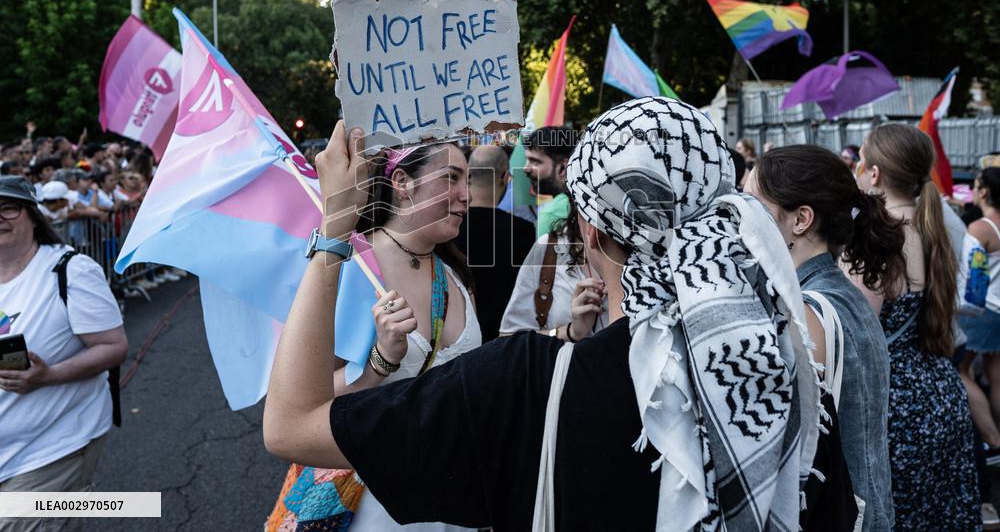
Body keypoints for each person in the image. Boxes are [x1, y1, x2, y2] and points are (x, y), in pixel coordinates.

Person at [264, 102, 857, 531]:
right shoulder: (787, 375)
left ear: (591, 229)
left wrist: (334, 230)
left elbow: (289, 427)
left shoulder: (523, 385)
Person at [266, 140, 480, 531]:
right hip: (375, 506)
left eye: (468, 180)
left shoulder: (456, 271)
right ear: (402, 182)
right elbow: (300, 407)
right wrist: (379, 363)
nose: (467, 196)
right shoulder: (347, 266)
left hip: (453, 497)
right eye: (451, 178)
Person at [746, 145, 906, 532]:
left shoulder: (808, 313)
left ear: (800, 219)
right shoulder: (839, 296)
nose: (741, 219)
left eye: (752, 206)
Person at [854, 123, 980, 529]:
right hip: (941, 392)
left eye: (860, 160)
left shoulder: (879, 236)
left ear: (873, 173)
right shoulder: (936, 226)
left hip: (896, 404)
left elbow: (858, 330)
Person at [0, 175, 128, 524]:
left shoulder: (69, 270)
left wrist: (47, 376)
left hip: (53, 446)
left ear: (32, 215)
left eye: (8, 208)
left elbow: (114, 347)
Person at [454, 145, 535, 342]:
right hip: (505, 342)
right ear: (505, 177)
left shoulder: (450, 227)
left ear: (468, 175)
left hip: (458, 340)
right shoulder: (523, 231)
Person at [499, 198, 608, 341]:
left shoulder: (640, 254)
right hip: (561, 362)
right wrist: (571, 332)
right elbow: (508, 339)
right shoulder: (550, 248)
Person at [957, 169, 1000, 461]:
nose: (972, 190)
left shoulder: (980, 229)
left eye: (975, 186)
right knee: (996, 375)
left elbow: (975, 283)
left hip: (983, 311)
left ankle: (992, 440)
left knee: (960, 370)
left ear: (984, 191)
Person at [523, 126, 576, 237]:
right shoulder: (588, 199)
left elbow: (544, 255)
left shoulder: (551, 214)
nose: (525, 168)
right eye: (527, 160)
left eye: (534, 161)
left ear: (563, 167)